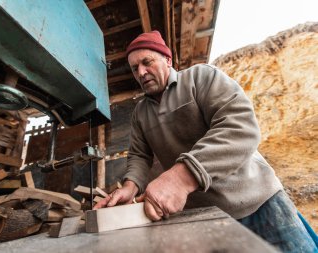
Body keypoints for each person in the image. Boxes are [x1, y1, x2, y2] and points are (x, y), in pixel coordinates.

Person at [94, 31, 317, 252]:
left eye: (147, 62)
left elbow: (240, 127)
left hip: (258, 202)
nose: (141, 72)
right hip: (205, 216)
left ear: (168, 59)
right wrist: (130, 186)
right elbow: (139, 156)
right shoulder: (140, 113)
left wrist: (180, 178)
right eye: (135, 68)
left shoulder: (201, 78)